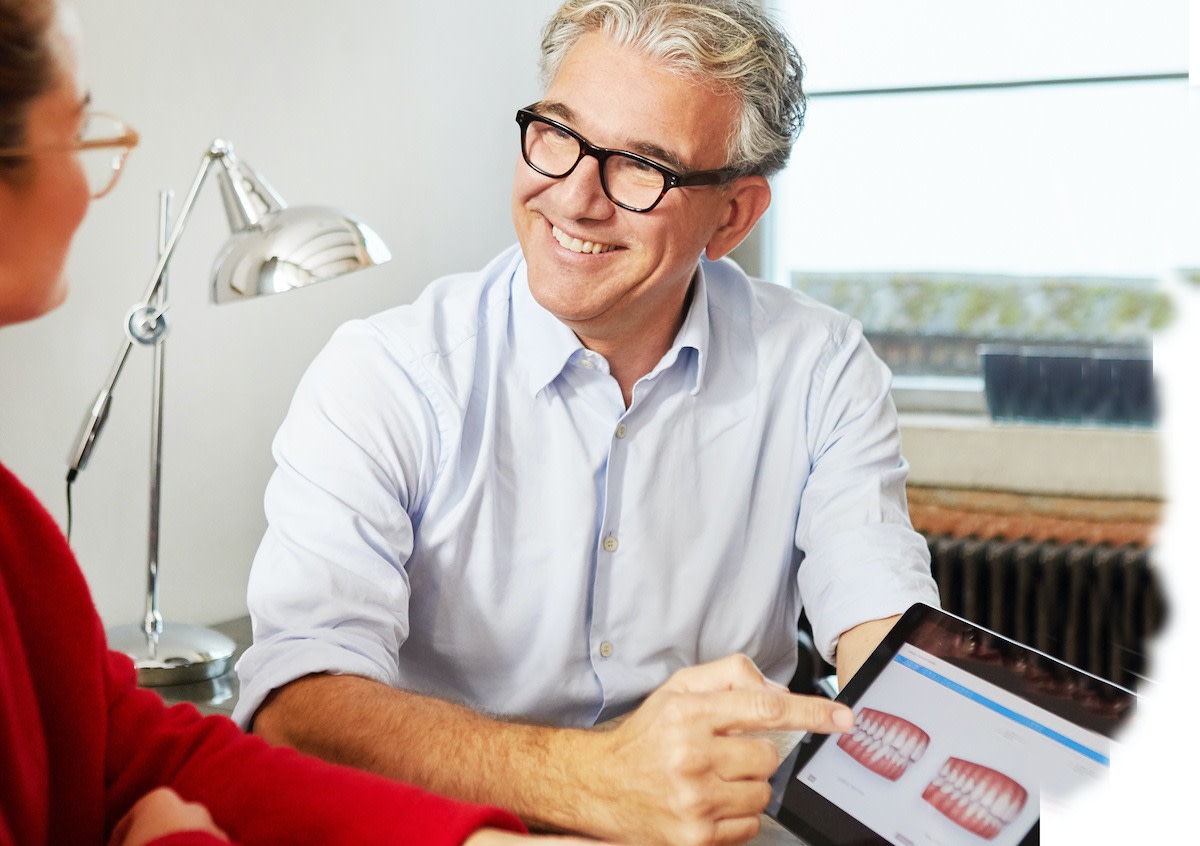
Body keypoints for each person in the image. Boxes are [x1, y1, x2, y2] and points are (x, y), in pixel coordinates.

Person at [236, 1, 940, 844]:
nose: (572, 198)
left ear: (733, 216)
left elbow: (881, 625)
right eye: (558, 135)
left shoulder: (822, 367)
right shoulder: (384, 375)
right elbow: (298, 706)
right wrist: (597, 782)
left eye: (643, 168)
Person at [0, 1, 614, 844]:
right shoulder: (390, 370)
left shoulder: (14, 538)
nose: (88, 188)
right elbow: (286, 715)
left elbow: (137, 751)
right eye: (78, 136)